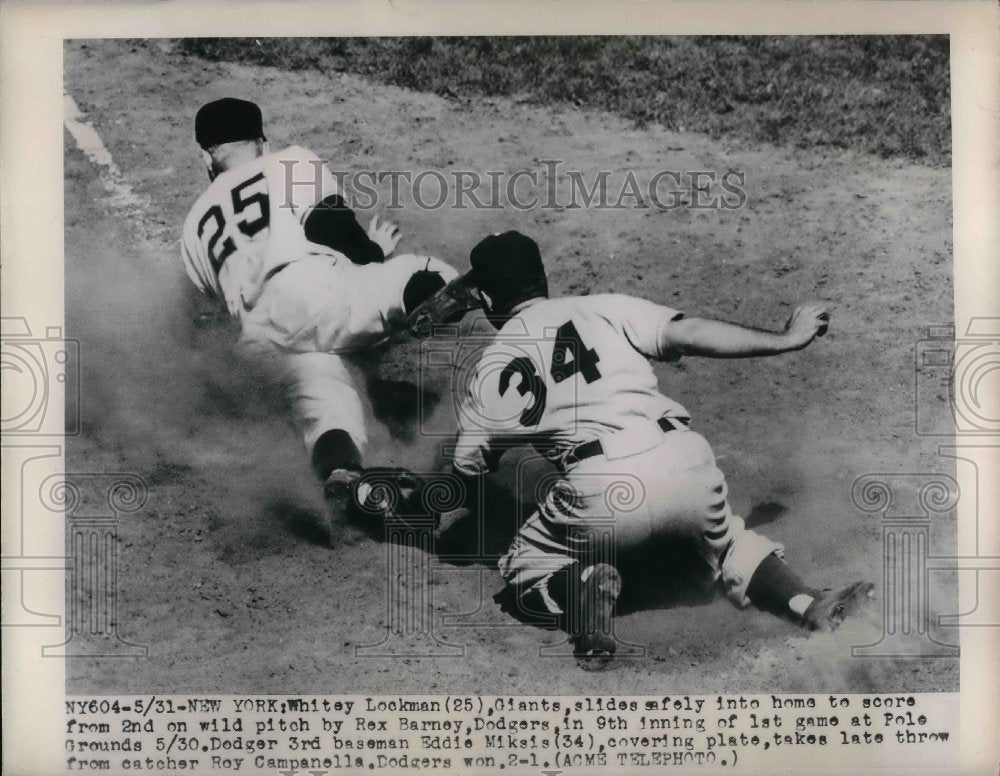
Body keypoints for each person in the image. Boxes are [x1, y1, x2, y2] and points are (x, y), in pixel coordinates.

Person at [417, 230, 874, 669]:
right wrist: (786, 339)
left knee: (526, 561)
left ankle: (581, 590)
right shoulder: (604, 307)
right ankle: (808, 603)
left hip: (600, 490)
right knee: (729, 543)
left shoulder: (492, 366)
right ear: (541, 278)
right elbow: (690, 332)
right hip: (683, 461)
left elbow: (469, 467)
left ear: (485, 297)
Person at [180, 98, 459, 522]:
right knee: (418, 272)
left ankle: (343, 473)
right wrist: (373, 253)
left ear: (206, 156)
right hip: (316, 295)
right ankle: (506, 329)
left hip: (264, 341)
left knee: (329, 403)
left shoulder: (192, 227)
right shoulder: (289, 161)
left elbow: (204, 322)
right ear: (263, 141)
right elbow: (329, 227)